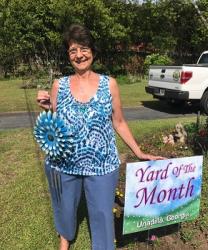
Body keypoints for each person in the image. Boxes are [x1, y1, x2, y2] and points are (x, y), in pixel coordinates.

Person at [36, 24, 164, 250]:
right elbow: (56, 124)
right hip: (66, 163)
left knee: (103, 214)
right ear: (68, 55)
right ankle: (65, 237)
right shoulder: (59, 85)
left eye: (83, 48)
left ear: (93, 51)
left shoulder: (110, 84)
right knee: (65, 206)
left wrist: (139, 152)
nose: (79, 55)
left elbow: (119, 121)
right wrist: (47, 108)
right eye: (73, 50)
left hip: (103, 164)